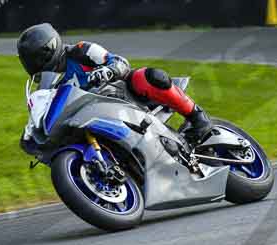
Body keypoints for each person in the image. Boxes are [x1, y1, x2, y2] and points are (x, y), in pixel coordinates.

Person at [17, 23, 214, 153]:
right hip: (90, 119)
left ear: (50, 48)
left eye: (37, 58)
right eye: (29, 60)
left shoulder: (80, 51)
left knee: (145, 76)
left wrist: (109, 70)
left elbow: (120, 62)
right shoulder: (46, 87)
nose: (34, 64)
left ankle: (198, 117)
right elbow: (44, 115)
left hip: (122, 97)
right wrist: (31, 134)